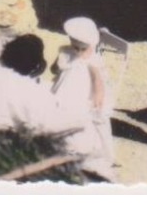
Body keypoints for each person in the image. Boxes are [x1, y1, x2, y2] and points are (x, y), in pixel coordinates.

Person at [53, 17, 116, 180]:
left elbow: (97, 78)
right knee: (61, 109)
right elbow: (56, 68)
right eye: (75, 47)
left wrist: (98, 94)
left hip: (84, 92)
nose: (79, 52)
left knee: (87, 118)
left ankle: (87, 148)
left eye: (83, 48)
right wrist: (58, 67)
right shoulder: (67, 52)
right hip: (67, 89)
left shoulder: (93, 58)